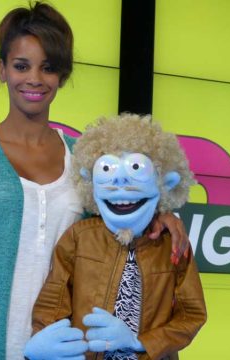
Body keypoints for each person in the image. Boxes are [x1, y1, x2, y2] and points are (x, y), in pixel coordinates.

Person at [0, 3, 190, 360]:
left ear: (61, 75)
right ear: (1, 70)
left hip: (65, 350)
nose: (34, 79)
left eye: (48, 67)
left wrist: (159, 216)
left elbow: (119, 227)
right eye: (21, 65)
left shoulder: (86, 161)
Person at [27, 114, 207, 360]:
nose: (120, 183)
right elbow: (54, 301)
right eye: (107, 169)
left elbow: (191, 314)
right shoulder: (80, 237)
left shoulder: (172, 244)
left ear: (165, 182)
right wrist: (45, 339)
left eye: (136, 169)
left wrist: (140, 342)